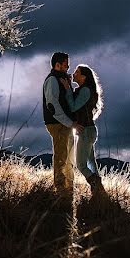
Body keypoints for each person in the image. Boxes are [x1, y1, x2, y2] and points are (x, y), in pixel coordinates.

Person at [63, 64, 105, 197]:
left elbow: (74, 107)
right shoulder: (84, 89)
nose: (73, 74)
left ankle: (96, 185)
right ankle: (99, 193)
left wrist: (67, 89)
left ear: (84, 77)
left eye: (77, 72)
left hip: (86, 131)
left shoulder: (85, 90)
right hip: (88, 130)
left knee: (80, 164)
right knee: (91, 162)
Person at [43, 52, 78, 196]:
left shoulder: (61, 79)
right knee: (61, 155)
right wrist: (69, 122)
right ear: (57, 65)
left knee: (69, 155)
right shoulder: (52, 80)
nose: (68, 66)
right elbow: (52, 105)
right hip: (58, 123)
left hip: (65, 123)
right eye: (66, 64)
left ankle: (69, 188)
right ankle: (60, 190)